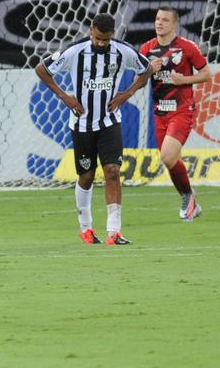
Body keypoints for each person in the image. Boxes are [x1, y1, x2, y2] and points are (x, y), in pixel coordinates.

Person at [35, 13, 156, 246]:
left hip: (109, 121)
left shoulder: (123, 51)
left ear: (112, 35)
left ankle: (114, 232)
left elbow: (147, 69)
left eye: (106, 39)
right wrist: (65, 97)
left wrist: (126, 94)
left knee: (112, 170)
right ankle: (86, 229)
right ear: (91, 30)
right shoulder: (75, 52)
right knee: (87, 176)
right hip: (81, 124)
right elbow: (42, 69)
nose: (101, 43)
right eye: (98, 38)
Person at [138, 6, 212, 221]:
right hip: (159, 111)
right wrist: (148, 71)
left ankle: (188, 196)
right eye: (157, 19)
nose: (159, 23)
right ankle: (190, 200)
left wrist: (184, 80)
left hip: (181, 110)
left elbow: (206, 74)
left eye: (165, 20)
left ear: (174, 24)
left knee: (167, 156)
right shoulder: (146, 49)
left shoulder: (187, 47)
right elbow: (139, 82)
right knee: (170, 161)